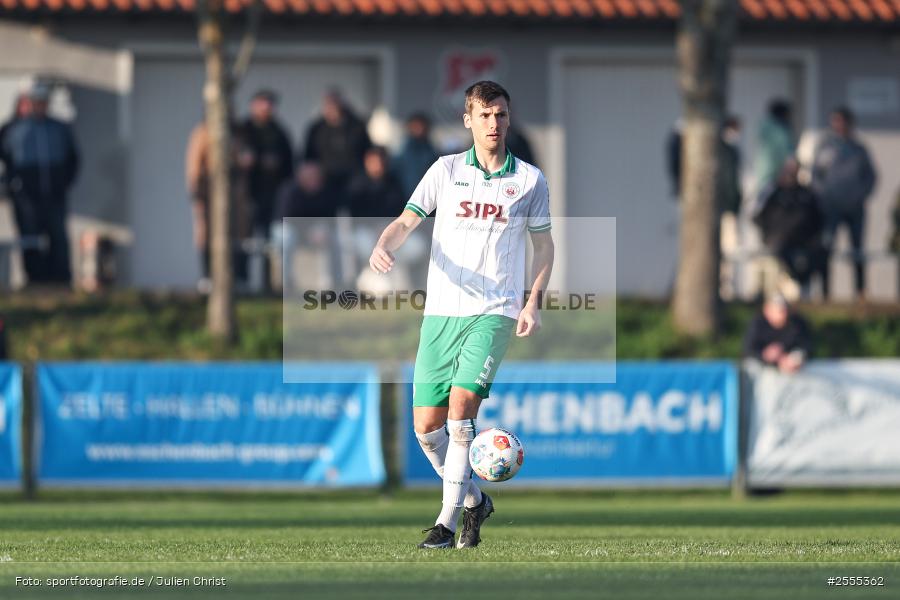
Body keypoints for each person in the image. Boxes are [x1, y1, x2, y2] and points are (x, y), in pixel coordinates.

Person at [368, 81, 554, 550]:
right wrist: (382, 244)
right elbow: (407, 220)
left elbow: (544, 245)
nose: (495, 124)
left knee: (459, 416)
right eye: (486, 115)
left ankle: (445, 525)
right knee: (426, 430)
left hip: (494, 312)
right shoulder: (446, 170)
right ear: (468, 120)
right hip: (441, 313)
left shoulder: (529, 180)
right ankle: (475, 502)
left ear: (509, 120)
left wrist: (532, 300)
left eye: (502, 115)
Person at [0, 83, 79, 285]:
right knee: (31, 239)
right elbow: (6, 161)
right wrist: (14, 185)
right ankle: (35, 280)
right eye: (35, 102)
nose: (39, 106)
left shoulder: (59, 129)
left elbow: (73, 159)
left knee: (57, 238)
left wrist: (63, 183)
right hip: (26, 197)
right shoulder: (14, 129)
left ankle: (60, 281)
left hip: (54, 194)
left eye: (43, 102)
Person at [811, 106, 877, 301]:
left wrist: (859, 196)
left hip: (855, 209)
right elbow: (816, 176)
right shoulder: (826, 147)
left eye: (842, 121)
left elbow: (871, 177)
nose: (838, 125)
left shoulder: (859, 149)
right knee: (827, 248)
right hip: (831, 208)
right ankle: (825, 293)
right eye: (835, 121)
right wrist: (825, 196)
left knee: (857, 250)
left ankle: (860, 291)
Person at [185, 118, 252, 290]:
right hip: (208, 191)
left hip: (235, 192)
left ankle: (240, 277)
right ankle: (208, 277)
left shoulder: (238, 133)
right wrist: (196, 192)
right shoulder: (203, 132)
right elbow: (194, 164)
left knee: (239, 234)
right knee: (206, 234)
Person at [238, 90, 294, 291]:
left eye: (269, 105)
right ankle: (241, 281)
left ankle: (269, 284)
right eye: (262, 104)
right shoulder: (243, 130)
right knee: (245, 239)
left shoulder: (279, 132)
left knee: (271, 243)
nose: (266, 109)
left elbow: (290, 166)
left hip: (273, 197)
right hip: (246, 195)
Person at [752, 161, 826, 296]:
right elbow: (757, 216)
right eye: (788, 171)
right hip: (776, 244)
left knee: (818, 256)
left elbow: (818, 220)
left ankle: (809, 291)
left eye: (794, 172)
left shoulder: (806, 195)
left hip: (802, 245)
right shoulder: (773, 192)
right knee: (775, 259)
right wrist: (768, 236)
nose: (790, 175)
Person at [302, 90, 371, 213]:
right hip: (325, 179)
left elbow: (368, 152)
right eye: (328, 105)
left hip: (353, 179)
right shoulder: (316, 128)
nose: (332, 109)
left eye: (335, 105)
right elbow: (308, 157)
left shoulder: (357, 126)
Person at [743, 293, 812, 374]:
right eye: (780, 311)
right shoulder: (758, 324)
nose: (784, 314)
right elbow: (748, 349)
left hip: (792, 370)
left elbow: (806, 346)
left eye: (785, 310)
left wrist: (794, 358)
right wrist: (764, 354)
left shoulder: (797, 323)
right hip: (763, 370)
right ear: (767, 310)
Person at [349, 146, 406, 218]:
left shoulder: (393, 182)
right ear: (366, 162)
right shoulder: (357, 186)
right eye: (374, 162)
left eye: (380, 161)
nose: (378, 166)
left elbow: (398, 208)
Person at [754, 99, 795, 197]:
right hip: (775, 175)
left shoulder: (765, 126)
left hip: (764, 173)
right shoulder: (781, 130)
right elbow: (787, 153)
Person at [394, 112, 439, 199]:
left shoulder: (432, 154)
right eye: (416, 126)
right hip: (405, 200)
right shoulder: (403, 154)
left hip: (428, 201)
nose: (419, 129)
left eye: (421, 126)